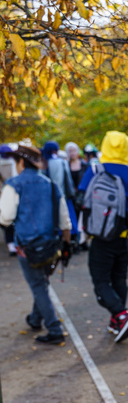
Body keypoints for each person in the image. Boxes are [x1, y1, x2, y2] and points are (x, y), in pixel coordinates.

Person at [78, 131, 128, 342]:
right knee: (119, 278)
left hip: (101, 237)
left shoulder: (94, 171)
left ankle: (121, 314)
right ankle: (117, 321)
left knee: (101, 281)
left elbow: (81, 200)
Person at [0, 144, 71, 344]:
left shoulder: (13, 185)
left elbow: (5, 218)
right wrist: (67, 244)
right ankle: (34, 318)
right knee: (41, 282)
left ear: (21, 162)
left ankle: (55, 329)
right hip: (51, 245)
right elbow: (64, 219)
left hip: (28, 247)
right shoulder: (50, 184)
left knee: (38, 284)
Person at [0, 144, 18, 255]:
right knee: (10, 220)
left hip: (8, 195)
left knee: (9, 221)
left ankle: (12, 243)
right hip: (9, 195)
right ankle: (12, 243)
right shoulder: (13, 163)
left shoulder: (15, 162)